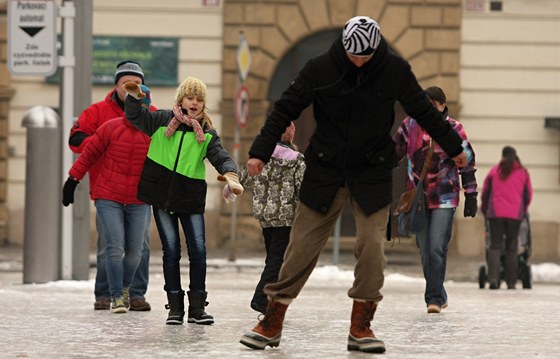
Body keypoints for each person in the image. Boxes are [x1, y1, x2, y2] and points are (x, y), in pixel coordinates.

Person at [239, 16, 468, 354]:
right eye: (354, 55)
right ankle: (272, 319)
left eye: (366, 56)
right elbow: (284, 107)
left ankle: (361, 325)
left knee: (372, 249)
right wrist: (259, 152)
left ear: (376, 49)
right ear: (344, 46)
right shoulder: (320, 68)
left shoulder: (394, 70)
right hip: (325, 169)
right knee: (300, 248)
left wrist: (454, 147)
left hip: (372, 170)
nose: (359, 61)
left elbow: (425, 112)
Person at [122, 77, 244, 325]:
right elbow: (136, 118)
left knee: (198, 250)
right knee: (172, 251)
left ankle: (197, 309)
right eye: (190, 97)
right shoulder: (161, 120)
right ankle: (175, 308)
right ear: (181, 99)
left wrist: (231, 175)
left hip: (189, 197)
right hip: (162, 196)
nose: (195, 103)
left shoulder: (207, 133)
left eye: (199, 99)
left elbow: (221, 157)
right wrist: (135, 98)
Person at [68, 60, 155, 311]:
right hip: (107, 190)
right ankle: (105, 293)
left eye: (137, 83)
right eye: (126, 83)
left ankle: (136, 294)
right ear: (116, 85)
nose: (132, 88)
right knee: (109, 245)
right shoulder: (96, 113)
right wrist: (104, 144)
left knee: (141, 247)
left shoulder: (150, 113)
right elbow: (75, 138)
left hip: (139, 193)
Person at [393, 86, 478, 314]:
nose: (429, 108)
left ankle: (433, 299)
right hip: (418, 196)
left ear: (442, 105)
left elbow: (466, 161)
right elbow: (394, 153)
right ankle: (438, 292)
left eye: (434, 104)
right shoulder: (409, 125)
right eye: (425, 103)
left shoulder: (454, 128)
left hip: (445, 195)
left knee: (437, 247)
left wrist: (471, 194)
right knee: (424, 248)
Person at [225, 122, 306, 315]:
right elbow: (302, 188)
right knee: (278, 261)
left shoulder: (260, 157)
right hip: (286, 217)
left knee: (273, 258)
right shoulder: (296, 160)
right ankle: (261, 299)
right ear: (291, 134)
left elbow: (242, 177)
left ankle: (272, 302)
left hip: (265, 216)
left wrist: (229, 187)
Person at [481, 146, 532, 290]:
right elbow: (528, 195)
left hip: (495, 214)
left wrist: (485, 208)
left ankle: (493, 279)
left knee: (495, 246)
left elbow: (485, 192)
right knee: (512, 248)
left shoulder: (494, 171)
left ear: (502, 156)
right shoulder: (523, 173)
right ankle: (511, 282)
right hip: (515, 215)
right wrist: (523, 211)